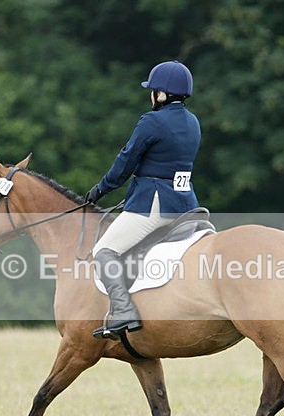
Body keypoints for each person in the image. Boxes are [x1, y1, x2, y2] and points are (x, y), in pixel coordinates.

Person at [84, 60, 201, 339]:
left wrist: (100, 189)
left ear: (160, 95)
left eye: (153, 91)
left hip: (154, 205)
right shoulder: (193, 122)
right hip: (187, 205)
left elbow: (125, 161)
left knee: (103, 252)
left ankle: (123, 311)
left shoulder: (152, 121)